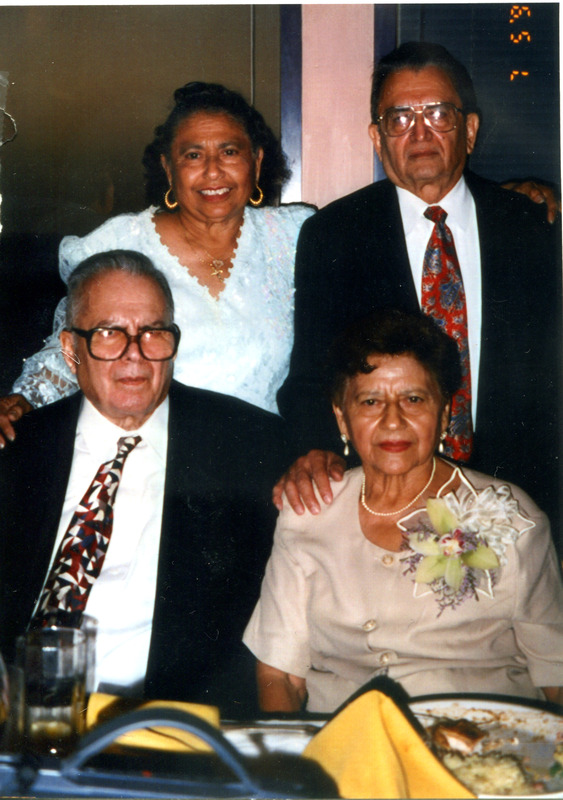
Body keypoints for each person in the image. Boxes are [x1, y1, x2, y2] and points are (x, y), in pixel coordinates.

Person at [275, 43, 562, 552]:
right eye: (400, 117)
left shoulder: (530, 227)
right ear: (377, 137)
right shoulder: (334, 235)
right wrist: (316, 450)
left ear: (469, 129)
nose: (420, 132)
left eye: (438, 114)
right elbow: (311, 376)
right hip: (388, 503)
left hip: (524, 500)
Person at [0, 250, 285, 717]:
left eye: (153, 333)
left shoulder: (248, 445)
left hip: (167, 735)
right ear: (71, 349)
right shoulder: (19, 450)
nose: (134, 355)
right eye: (110, 334)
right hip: (20, 728)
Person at [245, 309, 563, 713]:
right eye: (371, 401)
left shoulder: (511, 515)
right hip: (346, 752)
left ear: (445, 413)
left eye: (413, 399)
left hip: (482, 751)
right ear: (342, 417)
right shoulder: (308, 510)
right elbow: (280, 673)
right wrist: (283, 766)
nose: (393, 420)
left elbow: (557, 673)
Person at [0, 81, 314, 443]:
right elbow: (74, 348)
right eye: (192, 155)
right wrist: (26, 399)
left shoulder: (296, 235)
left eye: (229, 152)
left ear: (256, 161)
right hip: (156, 457)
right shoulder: (120, 243)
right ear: (168, 168)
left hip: (268, 457)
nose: (213, 171)